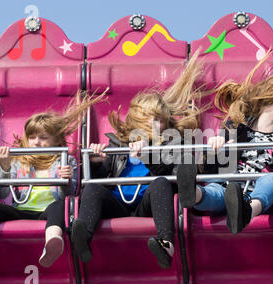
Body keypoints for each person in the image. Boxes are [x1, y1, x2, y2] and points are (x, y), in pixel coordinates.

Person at [71, 52, 208, 269]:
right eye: (147, 118)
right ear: (135, 119)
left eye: (158, 120)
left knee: (161, 183)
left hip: (147, 204)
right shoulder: (119, 143)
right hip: (118, 202)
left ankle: (166, 244)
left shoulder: (173, 143)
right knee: (93, 189)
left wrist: (147, 154)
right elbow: (100, 178)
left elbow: (170, 173)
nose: (153, 124)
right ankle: (82, 239)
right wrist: (98, 162)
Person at [0, 89, 107, 284]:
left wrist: (67, 180)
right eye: (33, 137)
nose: (37, 142)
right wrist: (4, 166)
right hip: (22, 210)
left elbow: (70, 196)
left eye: (43, 138)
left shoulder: (65, 160)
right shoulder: (19, 160)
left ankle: (52, 242)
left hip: (49, 212)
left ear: (56, 140)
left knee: (57, 206)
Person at [177, 52, 273, 234]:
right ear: (267, 99)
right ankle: (193, 193)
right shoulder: (235, 128)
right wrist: (216, 148)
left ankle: (247, 212)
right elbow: (211, 167)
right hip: (229, 186)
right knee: (216, 189)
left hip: (260, 193)